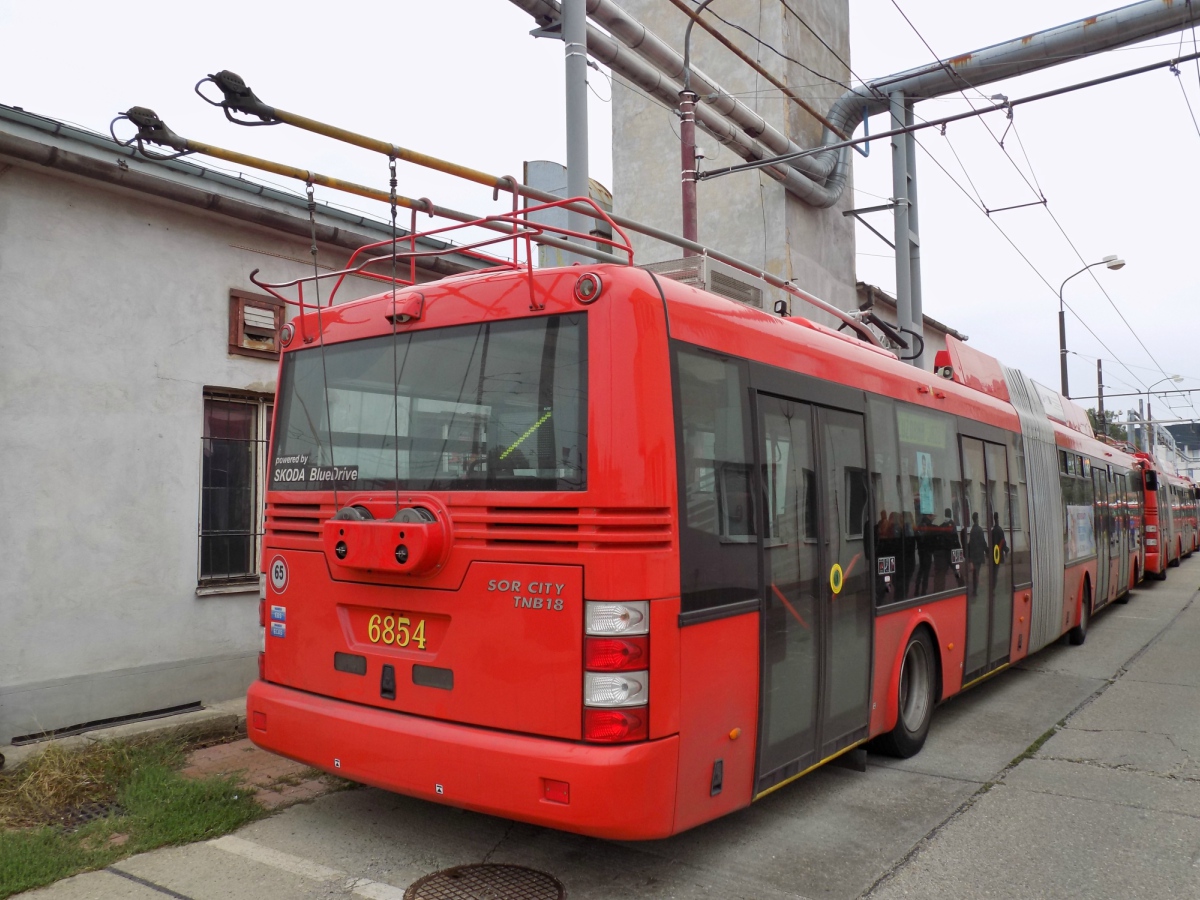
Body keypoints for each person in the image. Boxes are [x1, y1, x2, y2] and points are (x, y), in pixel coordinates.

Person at [967, 511, 987, 593]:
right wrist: (987, 550)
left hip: (973, 555)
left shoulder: (972, 530)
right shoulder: (979, 529)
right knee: (976, 572)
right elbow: (983, 542)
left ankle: (974, 588)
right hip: (978, 555)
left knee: (975, 572)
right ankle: (975, 589)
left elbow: (971, 544)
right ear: (977, 519)